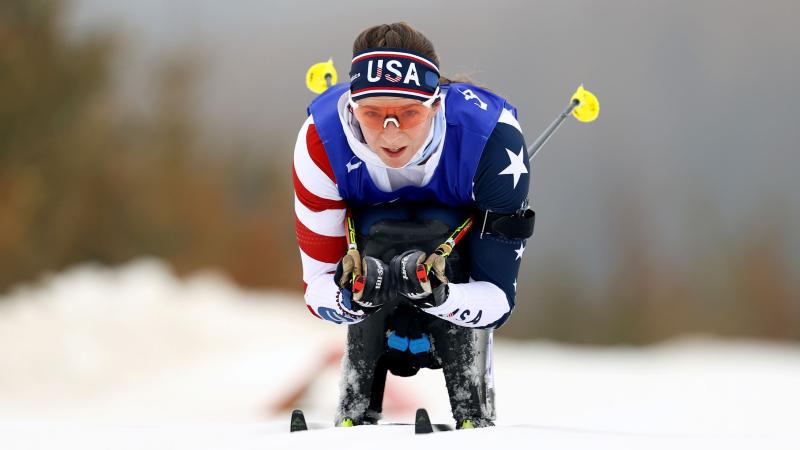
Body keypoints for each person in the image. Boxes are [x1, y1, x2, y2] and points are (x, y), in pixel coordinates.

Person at [293, 22, 534, 429]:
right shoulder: (320, 141)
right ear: (351, 107)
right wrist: (353, 299)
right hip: (371, 244)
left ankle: (470, 404)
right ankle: (357, 403)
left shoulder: (494, 140)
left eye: (409, 113)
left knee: (445, 246)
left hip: (455, 254)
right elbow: (316, 286)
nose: (391, 133)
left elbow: (498, 300)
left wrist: (441, 296)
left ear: (436, 105)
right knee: (370, 261)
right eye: (373, 114)